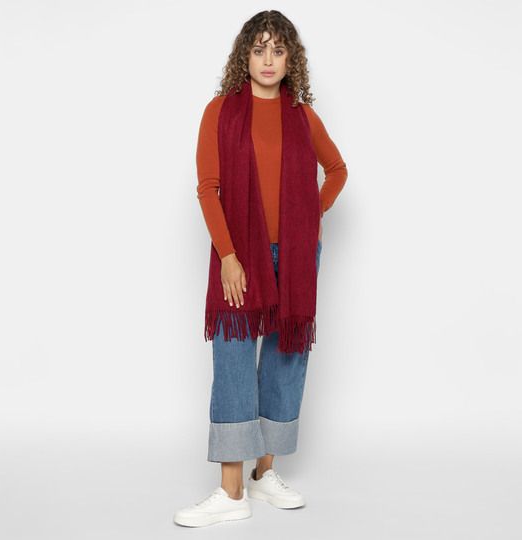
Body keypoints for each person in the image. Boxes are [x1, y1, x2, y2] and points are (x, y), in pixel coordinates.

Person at [174, 10, 348, 527]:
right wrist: (228, 256)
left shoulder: (303, 116)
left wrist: (311, 215)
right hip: (240, 254)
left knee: (284, 356)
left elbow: (337, 170)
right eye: (259, 49)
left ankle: (263, 474)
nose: (268, 60)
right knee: (232, 358)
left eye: (278, 49)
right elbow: (209, 189)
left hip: (294, 254)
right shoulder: (220, 112)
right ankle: (231, 493)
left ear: (291, 59)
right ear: (244, 56)